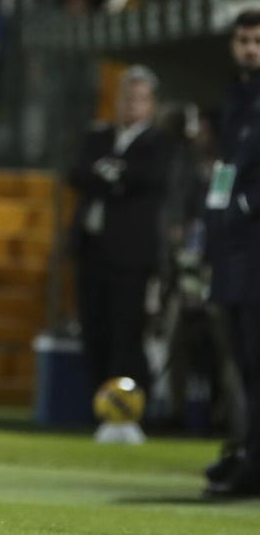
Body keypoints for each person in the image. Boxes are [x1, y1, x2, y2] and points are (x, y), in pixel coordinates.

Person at [68, 66, 174, 400]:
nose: (132, 104)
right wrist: (114, 177)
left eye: (140, 98)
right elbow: (76, 173)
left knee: (125, 331)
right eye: (127, 97)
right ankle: (98, 405)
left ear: (152, 104)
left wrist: (108, 174)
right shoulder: (98, 136)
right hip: (92, 249)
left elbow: (149, 180)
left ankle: (127, 407)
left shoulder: (159, 143)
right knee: (94, 328)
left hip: (130, 255)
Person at [203, 9, 260, 497]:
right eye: (243, 39)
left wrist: (244, 203)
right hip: (233, 247)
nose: (249, 48)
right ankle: (246, 452)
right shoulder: (236, 98)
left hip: (255, 243)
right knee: (241, 360)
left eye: (258, 41)